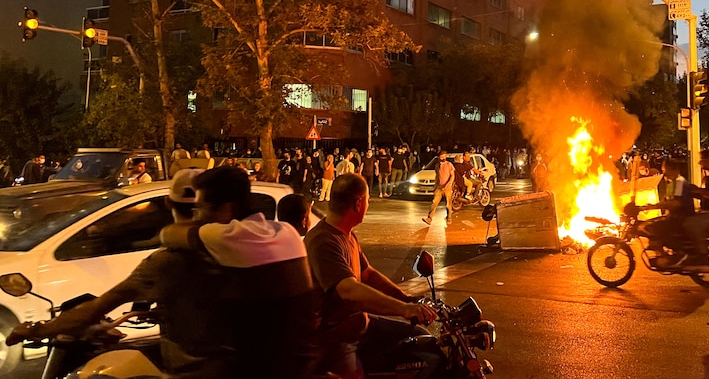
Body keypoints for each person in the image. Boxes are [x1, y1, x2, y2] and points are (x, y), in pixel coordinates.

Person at [5, 169, 237, 377]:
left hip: (192, 370)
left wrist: (35, 329)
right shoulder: (233, 251)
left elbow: (92, 311)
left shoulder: (167, 261)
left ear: (168, 203)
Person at [160, 166, 318, 377]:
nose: (197, 216)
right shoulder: (286, 231)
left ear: (229, 209)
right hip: (303, 361)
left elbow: (168, 234)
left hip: (263, 369)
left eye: (201, 208)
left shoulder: (226, 236)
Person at [304, 173, 437, 378]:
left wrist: (408, 299)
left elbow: (367, 274)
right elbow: (349, 290)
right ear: (358, 203)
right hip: (338, 337)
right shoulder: (323, 241)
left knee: (422, 343)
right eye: (367, 200)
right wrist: (403, 309)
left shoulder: (346, 234)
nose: (368, 204)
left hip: (360, 325)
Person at [423, 150, 455, 226]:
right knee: (434, 202)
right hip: (439, 187)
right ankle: (429, 218)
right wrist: (436, 185)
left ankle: (449, 217)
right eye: (442, 156)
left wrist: (449, 183)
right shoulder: (437, 165)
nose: (443, 157)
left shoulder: (449, 164)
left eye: (445, 155)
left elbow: (453, 175)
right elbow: (437, 176)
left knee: (448, 204)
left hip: (447, 187)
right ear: (439, 157)